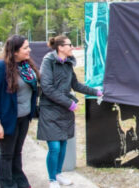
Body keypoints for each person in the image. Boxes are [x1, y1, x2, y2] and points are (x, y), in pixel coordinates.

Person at [37, 35, 102, 188]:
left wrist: (96, 92)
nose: (72, 47)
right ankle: (52, 179)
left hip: (64, 111)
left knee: (63, 144)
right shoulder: (48, 62)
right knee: (54, 147)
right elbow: (47, 88)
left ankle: (58, 174)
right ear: (60, 47)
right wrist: (70, 103)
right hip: (50, 109)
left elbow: (75, 85)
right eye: (70, 45)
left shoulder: (68, 64)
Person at [0, 35, 39, 188]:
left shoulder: (26, 67)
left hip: (23, 118)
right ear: (14, 51)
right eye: (25, 47)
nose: (29, 50)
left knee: (17, 153)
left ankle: (20, 182)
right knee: (6, 155)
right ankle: (7, 184)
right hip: (7, 120)